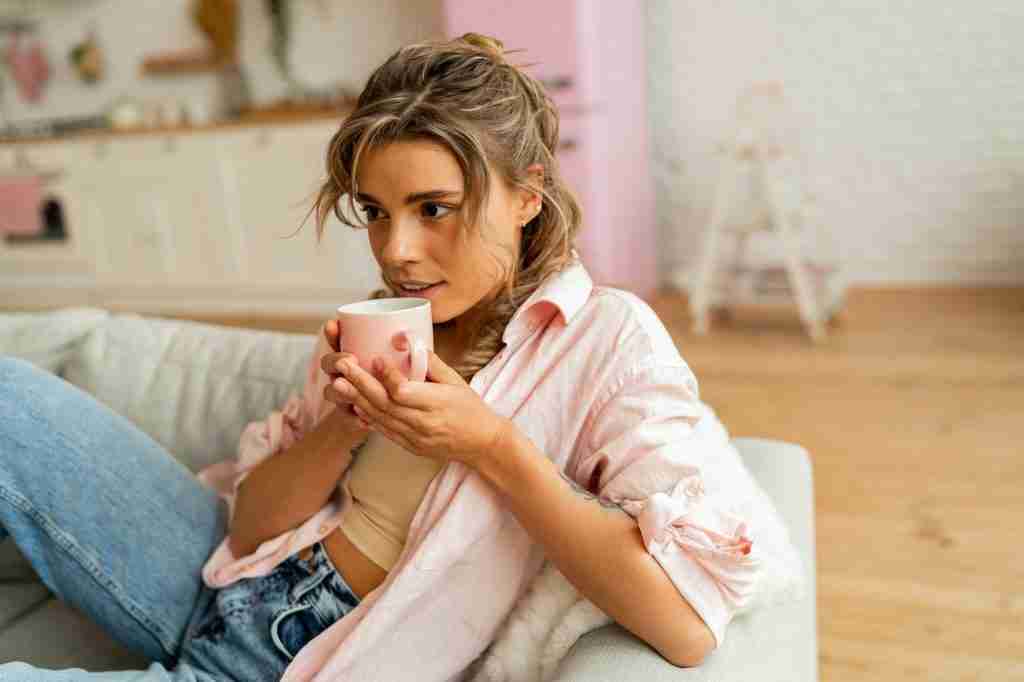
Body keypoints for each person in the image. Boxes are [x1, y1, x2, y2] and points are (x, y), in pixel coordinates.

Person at [0, 33, 802, 681]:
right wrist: (341, 426)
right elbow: (247, 527)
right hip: (213, 571)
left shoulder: (604, 340)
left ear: (527, 195)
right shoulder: (380, 327)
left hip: (281, 656)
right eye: (376, 213)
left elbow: (686, 628)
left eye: (434, 210)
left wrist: (491, 445)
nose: (397, 250)